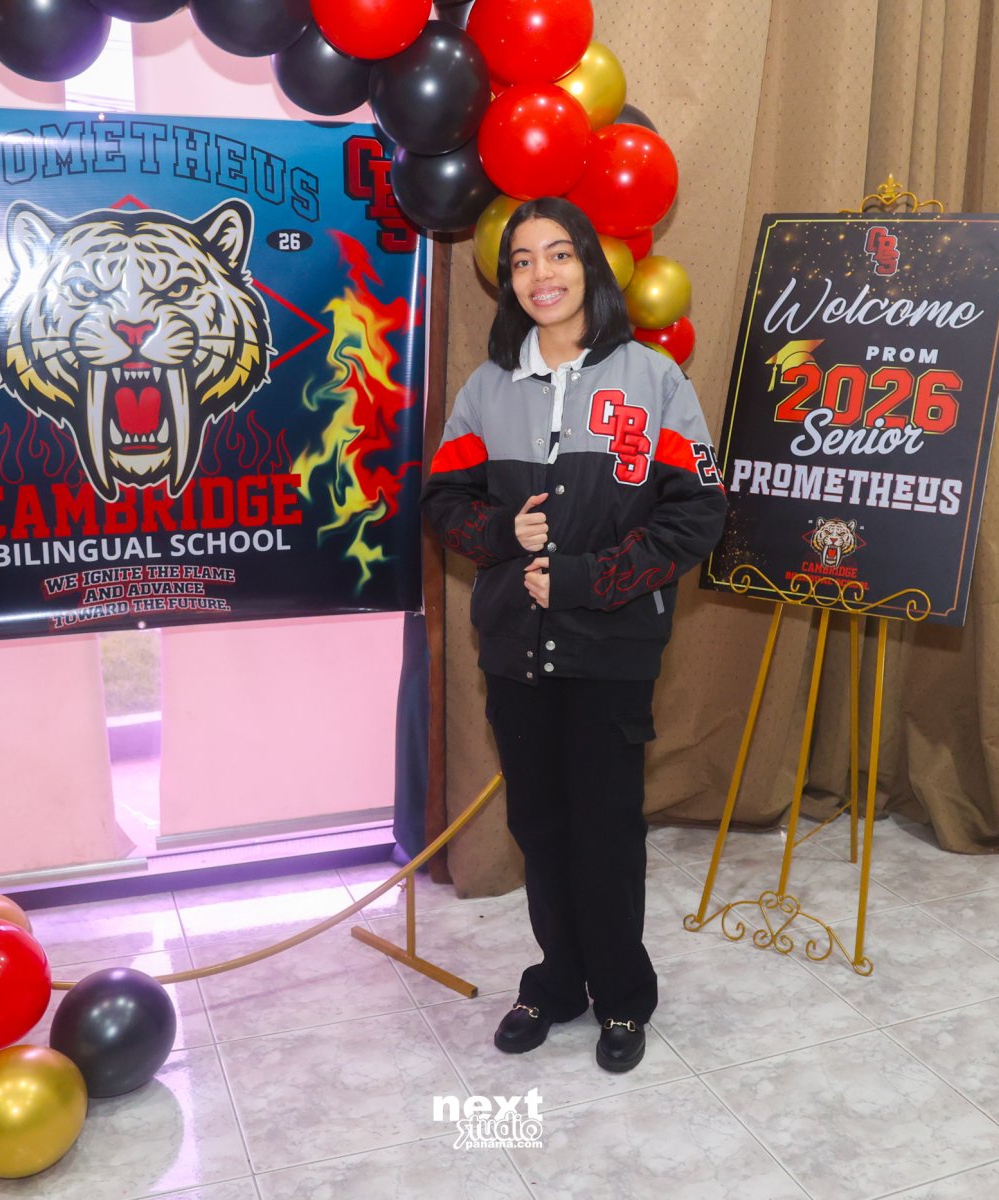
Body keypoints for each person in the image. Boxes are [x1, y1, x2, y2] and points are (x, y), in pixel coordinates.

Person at [421, 197, 727, 1073]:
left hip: (612, 652)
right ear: (508, 281)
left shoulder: (653, 380)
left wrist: (592, 580)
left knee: (605, 829)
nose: (541, 274)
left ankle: (623, 996)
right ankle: (556, 982)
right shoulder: (487, 388)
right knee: (540, 825)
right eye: (521, 261)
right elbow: (442, 500)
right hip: (513, 652)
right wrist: (497, 532)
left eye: (558, 254)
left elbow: (698, 514)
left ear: (591, 265)